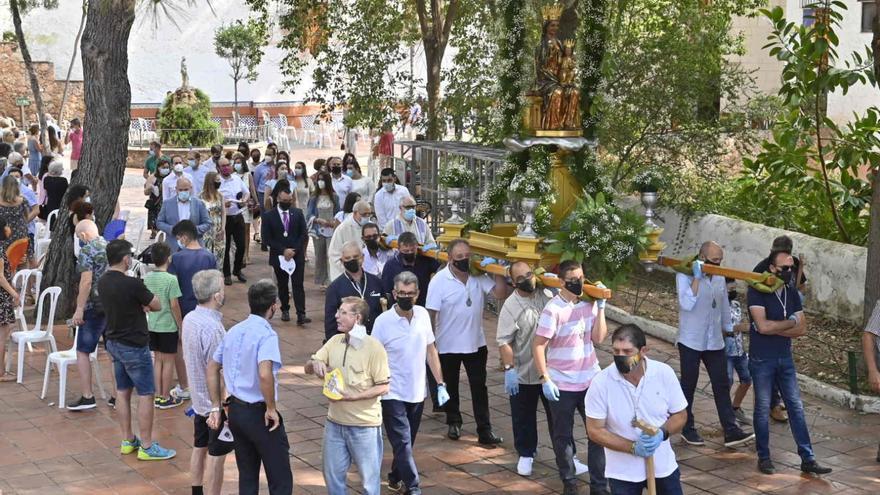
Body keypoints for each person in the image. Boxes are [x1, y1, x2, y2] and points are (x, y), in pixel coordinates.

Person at [747, 251, 832, 476]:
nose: (790, 273)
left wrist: (776, 327)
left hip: (784, 358)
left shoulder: (791, 291)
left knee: (796, 406)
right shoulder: (757, 289)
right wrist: (788, 324)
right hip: (762, 358)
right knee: (763, 406)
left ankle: (808, 458)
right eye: (786, 268)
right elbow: (762, 327)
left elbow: (801, 328)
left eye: (792, 268)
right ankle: (764, 457)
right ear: (773, 269)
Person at [207, 280, 293, 495]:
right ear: (273, 305)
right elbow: (265, 374)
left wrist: (216, 406)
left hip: (236, 412)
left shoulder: (234, 330)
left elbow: (212, 366)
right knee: (280, 478)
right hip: (259, 413)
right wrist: (271, 409)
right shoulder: (267, 335)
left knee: (247, 475)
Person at [532, 259, 608, 495]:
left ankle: (599, 485)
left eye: (581, 278)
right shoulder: (553, 309)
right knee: (563, 435)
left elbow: (599, 338)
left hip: (590, 380)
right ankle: (569, 481)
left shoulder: (588, 304)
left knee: (597, 434)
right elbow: (538, 345)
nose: (579, 283)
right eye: (573, 280)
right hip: (562, 383)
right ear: (562, 282)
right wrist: (545, 378)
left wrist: (602, 307)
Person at [585, 324, 688, 495]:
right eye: (616, 351)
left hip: (662, 466)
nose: (620, 357)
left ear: (643, 351)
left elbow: (680, 415)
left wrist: (662, 433)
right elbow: (594, 430)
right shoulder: (601, 383)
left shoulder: (663, 373)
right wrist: (632, 447)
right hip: (623, 472)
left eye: (627, 352)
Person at [98, 239, 176, 461]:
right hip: (134, 344)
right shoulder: (132, 284)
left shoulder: (103, 282)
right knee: (146, 394)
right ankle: (148, 445)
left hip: (113, 342)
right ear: (126, 259)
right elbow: (157, 304)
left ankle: (127, 439)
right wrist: (144, 304)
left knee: (122, 392)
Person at [305, 297, 391, 495]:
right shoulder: (335, 341)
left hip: (364, 427)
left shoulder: (374, 348)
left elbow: (384, 387)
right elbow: (308, 367)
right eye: (338, 311)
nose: (336, 316)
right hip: (334, 424)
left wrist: (352, 396)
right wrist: (314, 364)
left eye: (343, 312)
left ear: (357, 317)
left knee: (370, 484)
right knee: (332, 477)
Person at [371, 271, 448, 493]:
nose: (406, 297)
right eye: (401, 293)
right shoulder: (383, 322)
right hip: (391, 391)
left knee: (406, 442)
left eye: (410, 293)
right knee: (403, 441)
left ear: (417, 294)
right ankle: (413, 487)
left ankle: (395, 476)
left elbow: (431, 351)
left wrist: (440, 383)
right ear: (394, 293)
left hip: (417, 391)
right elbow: (374, 356)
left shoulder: (423, 315)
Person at [425, 239, 507, 445]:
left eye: (467, 256)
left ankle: (484, 429)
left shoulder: (478, 276)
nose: (464, 260)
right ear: (450, 259)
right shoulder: (439, 281)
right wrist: (429, 342)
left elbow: (499, 293)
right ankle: (454, 422)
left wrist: (498, 270)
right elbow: (431, 313)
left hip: (476, 343)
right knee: (450, 385)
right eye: (459, 257)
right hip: (448, 344)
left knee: (479, 387)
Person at [674, 241, 754, 448]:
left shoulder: (719, 276)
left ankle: (730, 429)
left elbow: (723, 303)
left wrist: (728, 328)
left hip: (714, 340)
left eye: (720, 261)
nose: (717, 265)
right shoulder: (684, 275)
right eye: (713, 261)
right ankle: (686, 427)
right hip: (691, 339)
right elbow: (686, 304)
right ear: (702, 256)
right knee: (688, 385)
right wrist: (697, 280)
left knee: (721, 384)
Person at [497, 261, 554, 476]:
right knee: (524, 416)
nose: (526, 280)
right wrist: (509, 369)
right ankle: (526, 454)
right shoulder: (511, 306)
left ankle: (568, 455)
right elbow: (504, 341)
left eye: (529, 274)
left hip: (550, 371)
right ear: (513, 282)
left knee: (558, 417)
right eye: (520, 278)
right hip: (523, 371)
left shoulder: (546, 294)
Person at [182, 269, 233, 495]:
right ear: (216, 295)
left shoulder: (190, 318)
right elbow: (218, 371)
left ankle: (196, 491)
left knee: (199, 446)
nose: (224, 291)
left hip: (199, 400)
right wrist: (222, 406)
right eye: (222, 287)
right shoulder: (213, 329)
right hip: (214, 405)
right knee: (217, 456)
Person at [753, 235, 807, 423]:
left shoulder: (795, 264)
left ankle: (781, 399)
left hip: (788, 319)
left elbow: (800, 286)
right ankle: (773, 404)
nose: (788, 269)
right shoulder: (761, 268)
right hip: (769, 323)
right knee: (768, 370)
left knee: (783, 365)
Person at [67, 220, 109, 409]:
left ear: (83, 236)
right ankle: (117, 396)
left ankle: (87, 395)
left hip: (94, 306)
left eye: (78, 237)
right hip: (113, 304)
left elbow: (86, 282)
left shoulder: (87, 251)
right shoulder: (110, 246)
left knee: (83, 351)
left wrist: (79, 308)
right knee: (113, 351)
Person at [261, 180, 311, 325]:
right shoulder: (269, 216)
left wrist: (294, 250)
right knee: (282, 285)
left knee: (298, 284)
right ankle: (285, 309)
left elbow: (303, 234)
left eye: (289, 201)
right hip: (279, 255)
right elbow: (266, 238)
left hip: (296, 254)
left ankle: (301, 313)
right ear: (278, 199)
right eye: (284, 200)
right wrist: (283, 250)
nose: (287, 203)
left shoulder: (297, 213)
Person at [143, 242, 185, 410]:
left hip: (153, 325)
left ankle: (158, 395)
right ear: (169, 259)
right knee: (168, 362)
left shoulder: (147, 278)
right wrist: (180, 326)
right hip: (168, 326)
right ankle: (165, 396)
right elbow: (174, 305)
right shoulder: (171, 279)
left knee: (158, 361)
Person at [324, 241, 383, 342]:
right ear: (342, 261)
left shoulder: (376, 282)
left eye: (356, 257)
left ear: (363, 257)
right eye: (347, 258)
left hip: (376, 341)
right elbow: (330, 325)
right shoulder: (334, 288)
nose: (352, 260)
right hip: (349, 342)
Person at [169, 220, 219, 318]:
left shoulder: (176, 258)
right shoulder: (209, 257)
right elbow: (216, 287)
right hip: (206, 309)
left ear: (184, 237)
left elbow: (172, 290)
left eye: (178, 238)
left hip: (184, 308)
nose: (179, 241)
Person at [380, 232, 440, 307]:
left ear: (417, 247)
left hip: (423, 307)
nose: (409, 252)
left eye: (412, 250)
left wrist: (437, 254)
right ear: (399, 248)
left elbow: (441, 270)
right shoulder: (390, 266)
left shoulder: (426, 261)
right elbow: (386, 291)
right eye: (406, 251)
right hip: (400, 308)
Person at [156, 178, 212, 254]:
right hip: (173, 246)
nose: (183, 192)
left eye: (186, 189)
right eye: (180, 190)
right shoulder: (167, 203)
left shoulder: (199, 204)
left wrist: (193, 230)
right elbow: (159, 222)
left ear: (191, 189)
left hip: (194, 246)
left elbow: (207, 223)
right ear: (176, 189)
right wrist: (172, 229)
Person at [217, 157, 250, 285]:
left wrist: (245, 199)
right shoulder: (217, 181)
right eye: (223, 166)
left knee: (241, 245)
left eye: (227, 165)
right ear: (219, 168)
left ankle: (237, 269)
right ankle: (226, 274)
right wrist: (222, 204)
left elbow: (246, 193)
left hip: (238, 215)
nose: (226, 167)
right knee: (225, 247)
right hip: (225, 218)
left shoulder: (237, 179)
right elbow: (213, 198)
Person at [725, 278, 752, 425]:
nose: (733, 292)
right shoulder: (717, 307)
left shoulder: (736, 305)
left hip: (739, 350)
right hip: (725, 352)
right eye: (730, 290)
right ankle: (725, 414)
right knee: (727, 382)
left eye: (734, 289)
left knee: (747, 379)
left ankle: (735, 407)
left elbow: (741, 323)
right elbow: (715, 330)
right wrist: (735, 329)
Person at [307, 171, 340, 288]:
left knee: (330, 255)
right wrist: (317, 220)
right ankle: (322, 280)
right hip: (318, 231)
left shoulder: (334, 197)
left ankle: (331, 279)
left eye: (323, 179)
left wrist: (333, 223)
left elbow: (338, 214)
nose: (320, 182)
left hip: (332, 230)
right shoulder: (314, 198)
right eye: (319, 180)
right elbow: (309, 214)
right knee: (319, 255)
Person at [327, 200, 373, 282]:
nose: (367, 217)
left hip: (367, 271)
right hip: (345, 272)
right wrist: (351, 269)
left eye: (369, 214)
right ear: (355, 213)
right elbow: (334, 254)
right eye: (364, 214)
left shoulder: (371, 226)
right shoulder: (343, 229)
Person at [0, 218, 19, 383]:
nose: (9, 228)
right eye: (6, 225)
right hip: (1, 298)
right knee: (2, 335)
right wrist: (14, 293)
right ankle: (0, 371)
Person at [231, 153, 256, 264]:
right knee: (236, 231)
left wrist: (256, 202)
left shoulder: (248, 175)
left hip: (246, 206)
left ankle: (246, 254)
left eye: (239, 163)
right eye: (235, 163)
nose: (237, 165)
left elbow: (252, 189)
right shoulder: (232, 175)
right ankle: (237, 253)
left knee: (246, 230)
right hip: (235, 206)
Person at [199, 172, 226, 269]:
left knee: (219, 256)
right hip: (205, 231)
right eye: (217, 180)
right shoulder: (200, 197)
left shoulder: (220, 196)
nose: (219, 182)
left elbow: (223, 212)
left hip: (218, 229)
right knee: (205, 256)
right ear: (210, 182)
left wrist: (223, 228)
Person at [144, 156, 170, 239]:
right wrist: (150, 188)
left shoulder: (169, 178)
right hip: (155, 205)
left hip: (165, 204)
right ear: (158, 168)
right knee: (156, 229)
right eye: (163, 167)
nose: (166, 169)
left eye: (167, 167)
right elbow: (146, 192)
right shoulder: (152, 177)